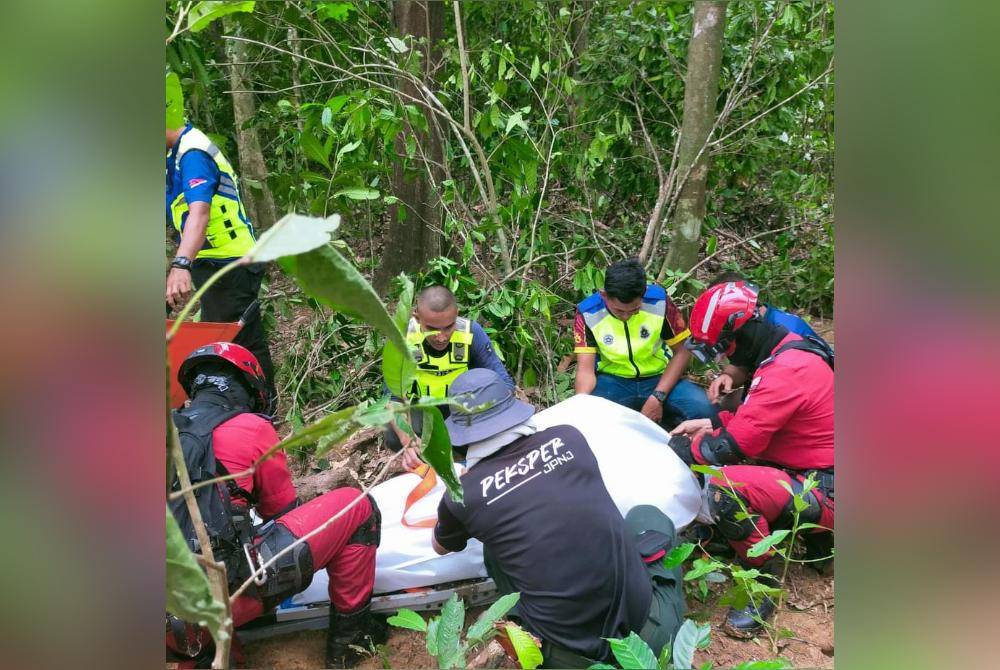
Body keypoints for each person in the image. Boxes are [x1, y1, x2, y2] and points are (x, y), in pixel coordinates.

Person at [431, 369, 686, 667]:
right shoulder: (568, 438)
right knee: (648, 517)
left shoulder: (462, 494)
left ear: (460, 433)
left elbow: (440, 546)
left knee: (494, 549)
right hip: (647, 640)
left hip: (569, 661)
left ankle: (525, 623)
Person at [166, 342, 385, 668]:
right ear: (246, 389)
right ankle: (350, 645)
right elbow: (281, 511)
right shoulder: (251, 428)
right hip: (220, 601)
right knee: (357, 507)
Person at [667, 281, 834, 637]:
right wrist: (711, 422)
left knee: (725, 488)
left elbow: (730, 447)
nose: (727, 357)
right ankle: (805, 537)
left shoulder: (788, 369)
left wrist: (686, 448)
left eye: (727, 348)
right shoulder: (784, 349)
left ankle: (763, 580)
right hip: (812, 467)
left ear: (745, 330)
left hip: (823, 486)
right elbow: (759, 419)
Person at [165, 71, 276, 411]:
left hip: (231, 261)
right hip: (212, 261)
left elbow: (199, 213)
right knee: (234, 334)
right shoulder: (173, 155)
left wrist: (180, 264)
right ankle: (252, 408)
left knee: (235, 337)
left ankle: (259, 410)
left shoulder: (193, 153)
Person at [573, 258, 716, 429]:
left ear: (644, 293)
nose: (625, 316)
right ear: (604, 295)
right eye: (619, 310)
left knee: (707, 412)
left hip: (659, 378)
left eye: (634, 310)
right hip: (613, 381)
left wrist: (658, 397)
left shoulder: (659, 301)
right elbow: (585, 371)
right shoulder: (588, 312)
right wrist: (581, 403)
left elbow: (683, 351)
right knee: (589, 422)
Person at [384, 285, 514, 469]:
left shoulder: (470, 333)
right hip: (423, 409)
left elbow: (504, 381)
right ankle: (428, 459)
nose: (441, 337)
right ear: (417, 317)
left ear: (456, 315)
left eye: (448, 327)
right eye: (432, 328)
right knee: (392, 432)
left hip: (463, 407)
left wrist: (496, 418)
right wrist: (408, 438)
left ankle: (472, 454)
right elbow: (392, 398)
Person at [704, 271, 830, 407]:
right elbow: (742, 363)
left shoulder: (787, 329)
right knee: (721, 406)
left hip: (801, 398)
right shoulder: (747, 326)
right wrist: (727, 376)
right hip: (767, 388)